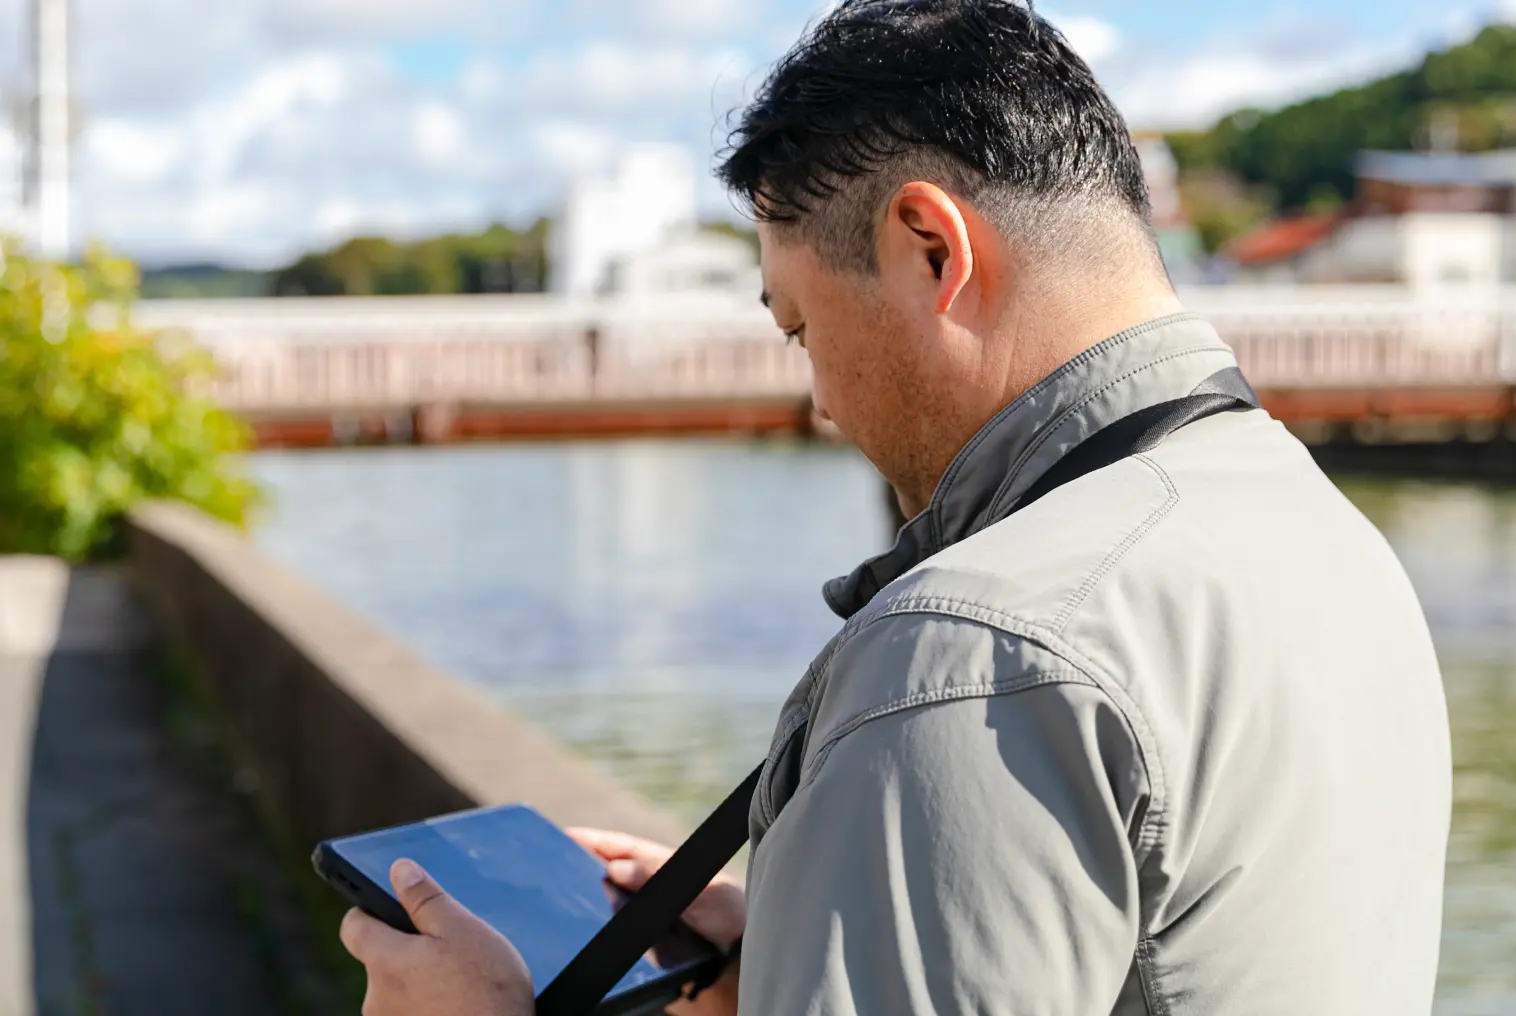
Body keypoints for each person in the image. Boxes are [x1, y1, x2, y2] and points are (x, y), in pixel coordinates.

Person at [338, 1, 1452, 1013]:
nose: (817, 397)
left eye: (799, 328)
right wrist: (790, 955)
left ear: (929, 248)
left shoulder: (969, 651)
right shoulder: (1314, 528)